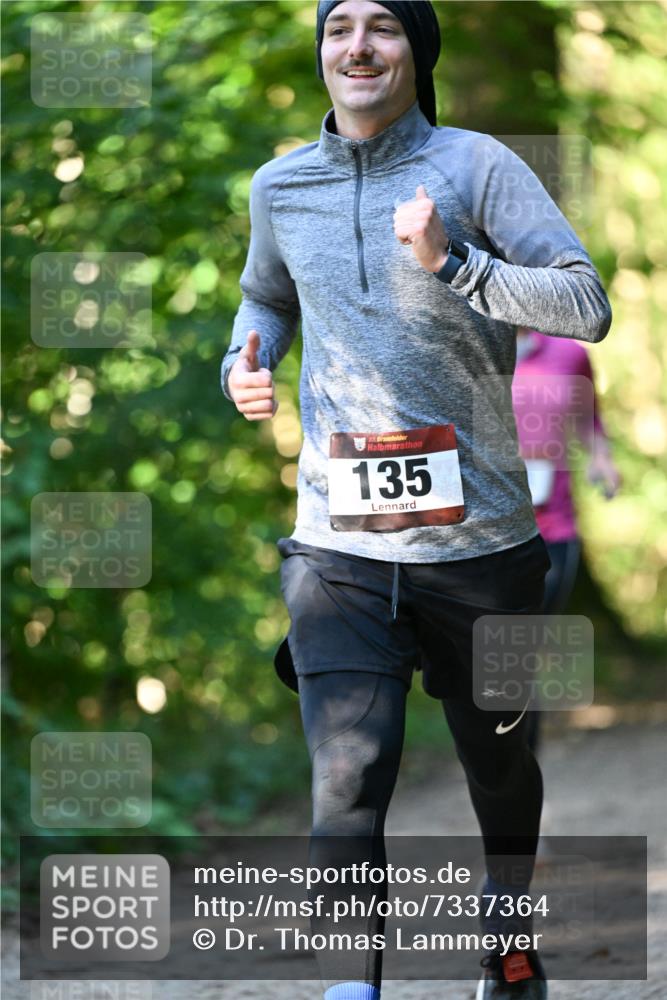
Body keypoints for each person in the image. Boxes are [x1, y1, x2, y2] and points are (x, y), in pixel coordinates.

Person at [221, 3, 612, 998]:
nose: (356, 45)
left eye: (381, 27)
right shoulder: (280, 187)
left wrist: (455, 263)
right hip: (337, 552)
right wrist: (246, 353)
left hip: (481, 547)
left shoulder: (478, 168)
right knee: (346, 778)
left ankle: (508, 952)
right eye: (337, 26)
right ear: (321, 50)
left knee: (500, 770)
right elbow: (266, 294)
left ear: (416, 50)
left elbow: (584, 303)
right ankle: (353, 985)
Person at [513, 326, 621, 753]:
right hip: (485, 531)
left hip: (553, 526)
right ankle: (505, 765)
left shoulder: (567, 354)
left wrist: (602, 458)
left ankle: (518, 767)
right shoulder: (466, 342)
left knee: (520, 644)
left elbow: (589, 418)